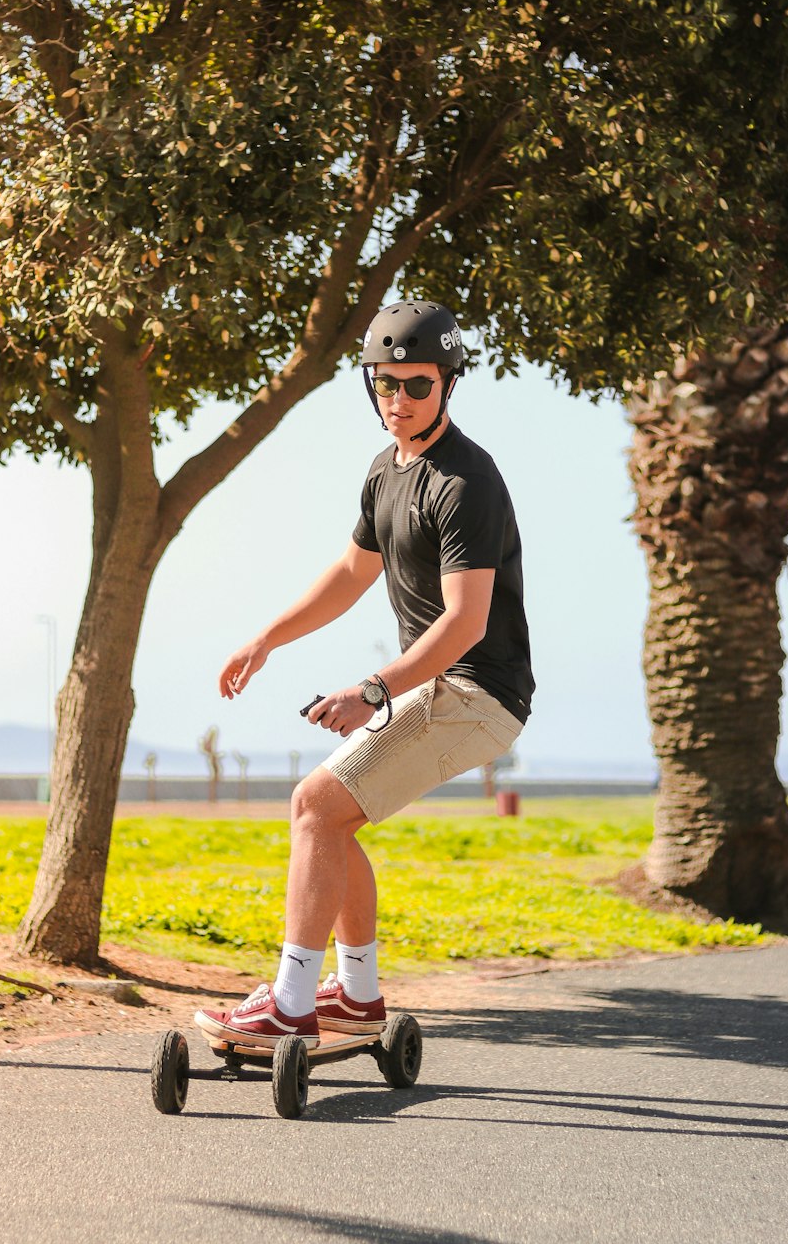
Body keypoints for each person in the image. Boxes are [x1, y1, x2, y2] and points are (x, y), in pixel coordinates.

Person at [196, 300, 535, 1049]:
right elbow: (351, 573)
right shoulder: (386, 470)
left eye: (418, 385)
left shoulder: (466, 481)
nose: (399, 400)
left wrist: (374, 689)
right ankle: (354, 996)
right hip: (436, 685)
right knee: (326, 816)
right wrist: (267, 639)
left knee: (318, 803)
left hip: (479, 690)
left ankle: (291, 1002)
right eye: (385, 384)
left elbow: (465, 622)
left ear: (448, 383)